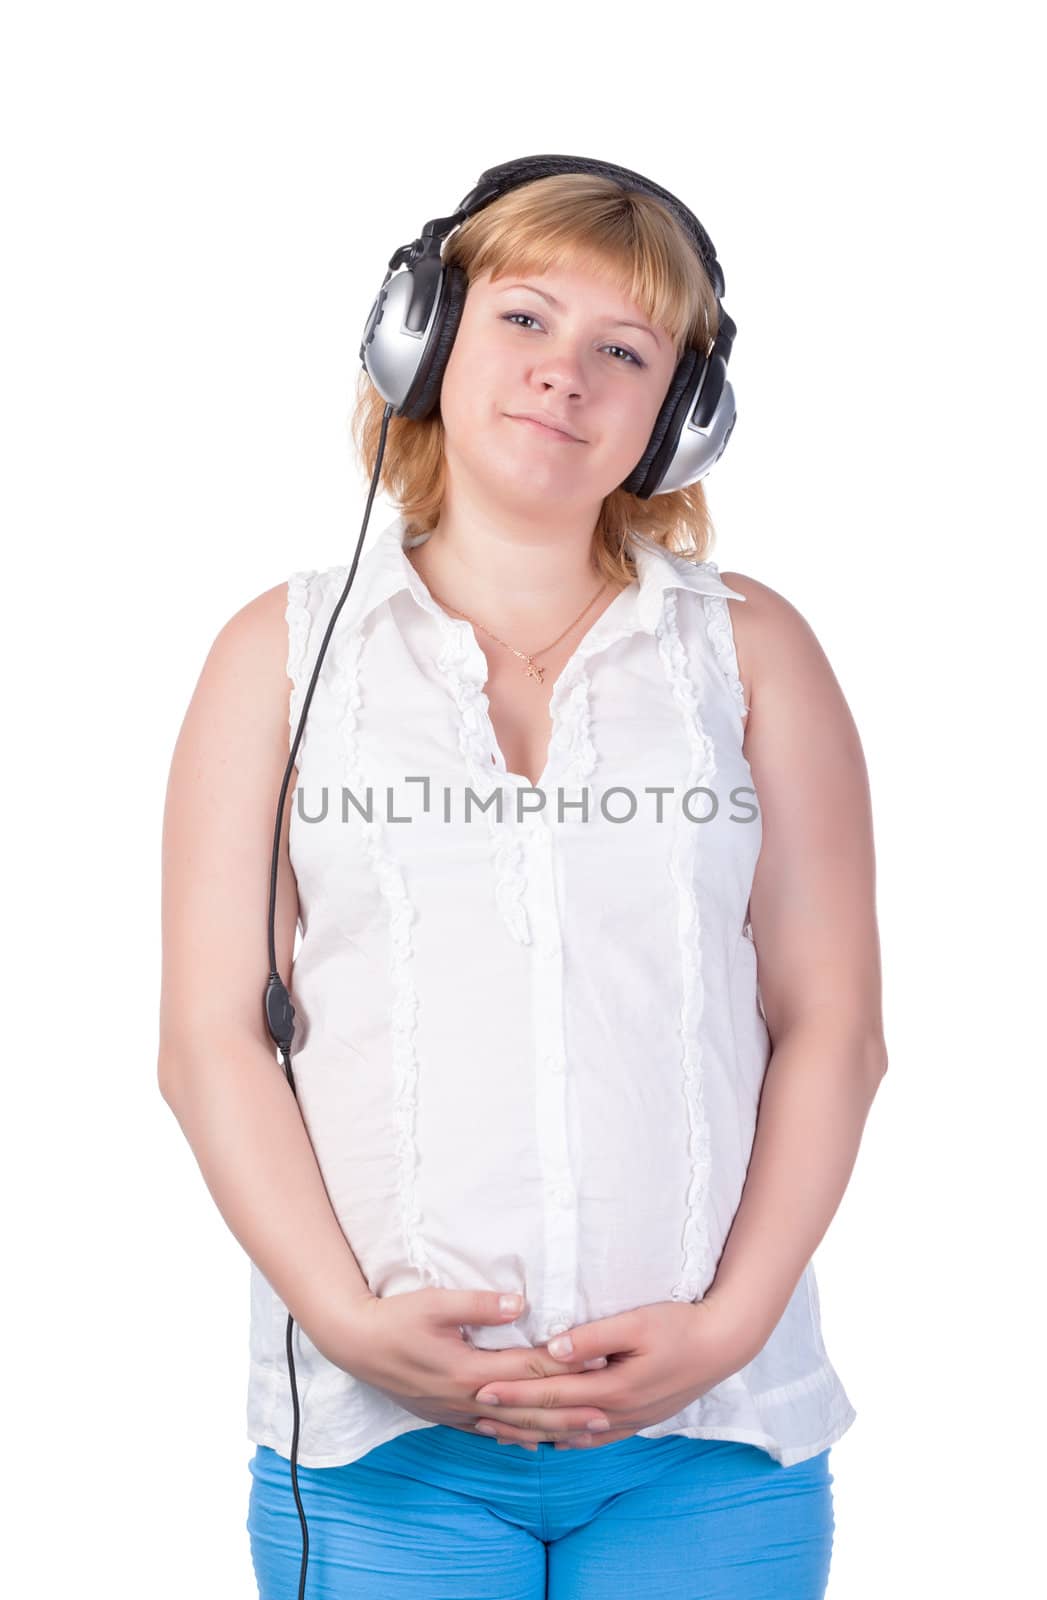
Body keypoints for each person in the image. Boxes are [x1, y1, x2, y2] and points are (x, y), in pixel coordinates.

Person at [158, 168, 888, 1599]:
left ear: (678, 414)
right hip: (375, 1462)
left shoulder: (757, 655)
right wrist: (346, 1324)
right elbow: (206, 1043)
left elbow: (834, 1028)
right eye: (525, 319)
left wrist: (729, 1326)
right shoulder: (278, 658)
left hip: (715, 1448)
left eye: (625, 351)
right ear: (421, 341)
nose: (567, 376)